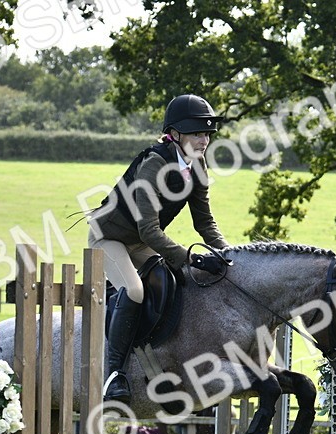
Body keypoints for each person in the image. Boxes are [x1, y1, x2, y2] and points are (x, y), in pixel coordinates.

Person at [87, 94, 231, 404]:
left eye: (206, 133)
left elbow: (205, 223)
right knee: (136, 290)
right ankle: (115, 376)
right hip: (108, 237)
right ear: (175, 134)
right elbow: (148, 229)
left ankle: (157, 367)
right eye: (196, 133)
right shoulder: (154, 164)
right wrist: (191, 258)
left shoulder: (198, 165)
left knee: (172, 285)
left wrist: (228, 253)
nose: (204, 139)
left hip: (140, 241)